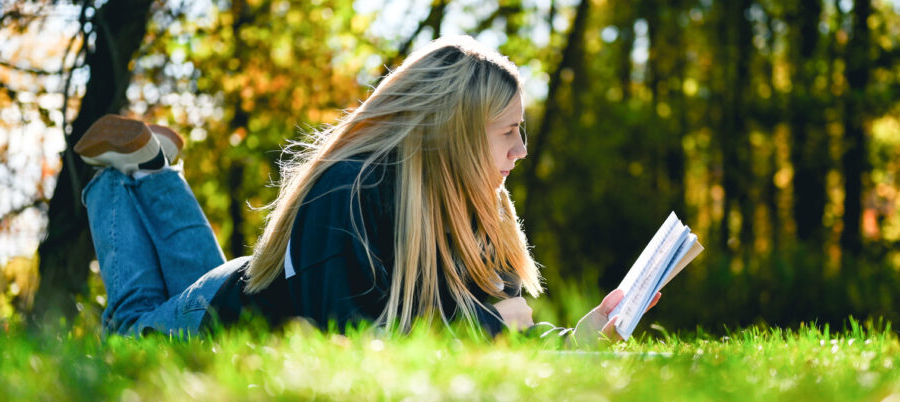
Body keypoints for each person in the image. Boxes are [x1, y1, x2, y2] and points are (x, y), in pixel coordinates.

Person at [76, 35, 657, 344]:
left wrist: (578, 339)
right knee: (131, 329)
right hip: (220, 313)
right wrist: (490, 327)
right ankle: (125, 177)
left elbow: (502, 332)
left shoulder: (480, 215)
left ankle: (151, 169)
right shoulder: (347, 188)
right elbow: (337, 332)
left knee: (181, 286)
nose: (522, 150)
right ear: (451, 133)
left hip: (239, 287)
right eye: (509, 133)